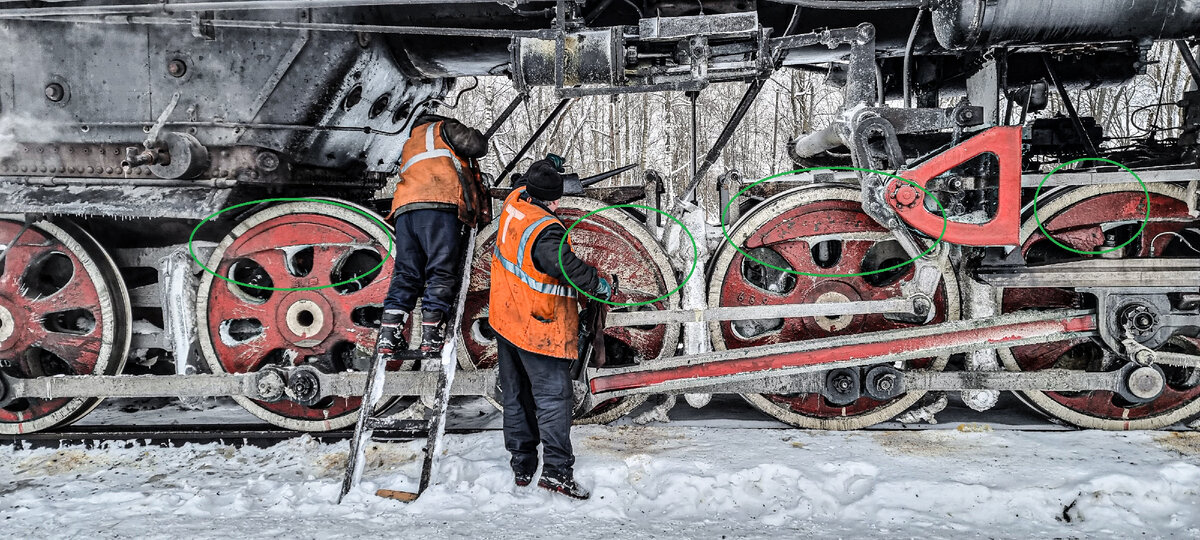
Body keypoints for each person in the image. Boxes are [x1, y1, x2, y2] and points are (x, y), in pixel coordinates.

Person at [489, 158, 613, 500]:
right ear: (549, 199)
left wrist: (547, 165)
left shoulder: (515, 201)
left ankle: (522, 464)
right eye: (556, 198)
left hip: (507, 317)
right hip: (539, 326)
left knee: (516, 396)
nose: (559, 204)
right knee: (553, 400)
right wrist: (601, 284)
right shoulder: (546, 231)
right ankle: (557, 472)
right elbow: (566, 267)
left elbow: (522, 179)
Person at [376, 114, 490, 362]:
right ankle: (432, 334)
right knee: (441, 269)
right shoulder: (443, 128)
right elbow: (477, 146)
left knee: (407, 272)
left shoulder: (410, 140)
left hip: (405, 210)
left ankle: (389, 333)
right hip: (439, 204)